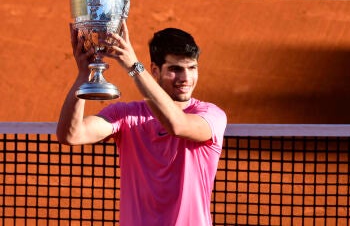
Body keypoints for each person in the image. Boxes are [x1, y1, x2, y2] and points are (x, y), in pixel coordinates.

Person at [56, 21, 227, 225]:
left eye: (192, 68)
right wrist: (85, 76)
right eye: (175, 69)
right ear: (155, 71)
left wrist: (133, 66)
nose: (186, 78)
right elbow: (71, 135)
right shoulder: (127, 116)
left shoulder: (211, 115)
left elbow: (177, 125)